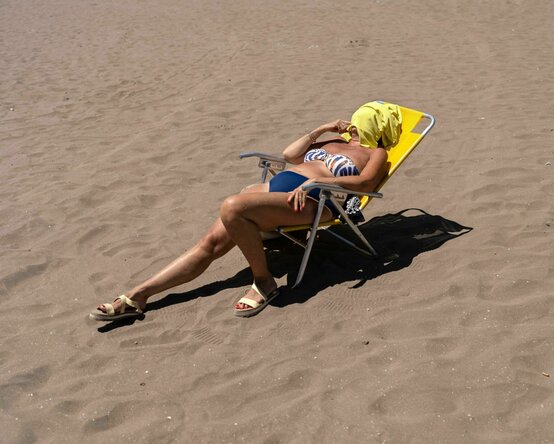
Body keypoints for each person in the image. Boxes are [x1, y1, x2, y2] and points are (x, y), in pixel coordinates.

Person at [90, 101, 402, 320]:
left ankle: (264, 282)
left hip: (315, 202)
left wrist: (313, 186)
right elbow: (289, 154)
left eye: (363, 117)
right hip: (284, 190)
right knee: (209, 245)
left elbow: (364, 183)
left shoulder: (376, 152)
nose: (355, 122)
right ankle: (139, 295)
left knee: (233, 207)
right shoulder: (334, 140)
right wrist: (321, 129)